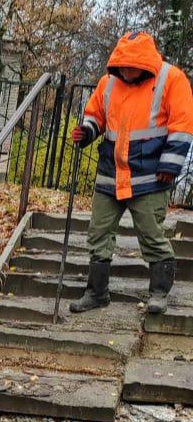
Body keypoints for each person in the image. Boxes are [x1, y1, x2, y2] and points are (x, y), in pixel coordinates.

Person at [70, 31, 193, 315]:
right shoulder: (108, 83)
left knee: (151, 234)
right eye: (121, 65)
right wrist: (86, 131)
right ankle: (96, 293)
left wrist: (170, 165)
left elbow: (182, 125)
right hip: (110, 173)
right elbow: (96, 115)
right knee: (98, 232)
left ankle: (159, 294)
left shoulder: (172, 79)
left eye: (130, 65)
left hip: (151, 176)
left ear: (145, 63)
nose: (125, 70)